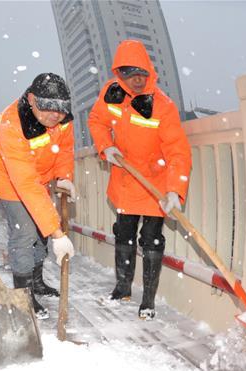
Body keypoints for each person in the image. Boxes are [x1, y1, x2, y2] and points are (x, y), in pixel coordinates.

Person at [88, 39, 192, 319]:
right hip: (124, 178)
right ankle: (122, 287)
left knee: (151, 238)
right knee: (123, 232)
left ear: (148, 71)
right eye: (127, 73)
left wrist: (175, 191)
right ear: (118, 73)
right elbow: (97, 120)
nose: (135, 80)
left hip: (154, 184)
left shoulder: (163, 107)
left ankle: (148, 300)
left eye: (140, 73)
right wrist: (104, 145)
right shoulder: (111, 94)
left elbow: (178, 152)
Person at [0, 73, 77, 317]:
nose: (54, 115)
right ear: (31, 99)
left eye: (60, 109)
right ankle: (24, 295)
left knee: (41, 231)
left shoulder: (63, 120)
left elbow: (65, 149)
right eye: (47, 107)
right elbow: (25, 182)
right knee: (25, 232)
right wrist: (58, 233)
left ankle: (36, 281)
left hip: (39, 179)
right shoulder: (11, 124)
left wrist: (63, 176)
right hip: (9, 180)